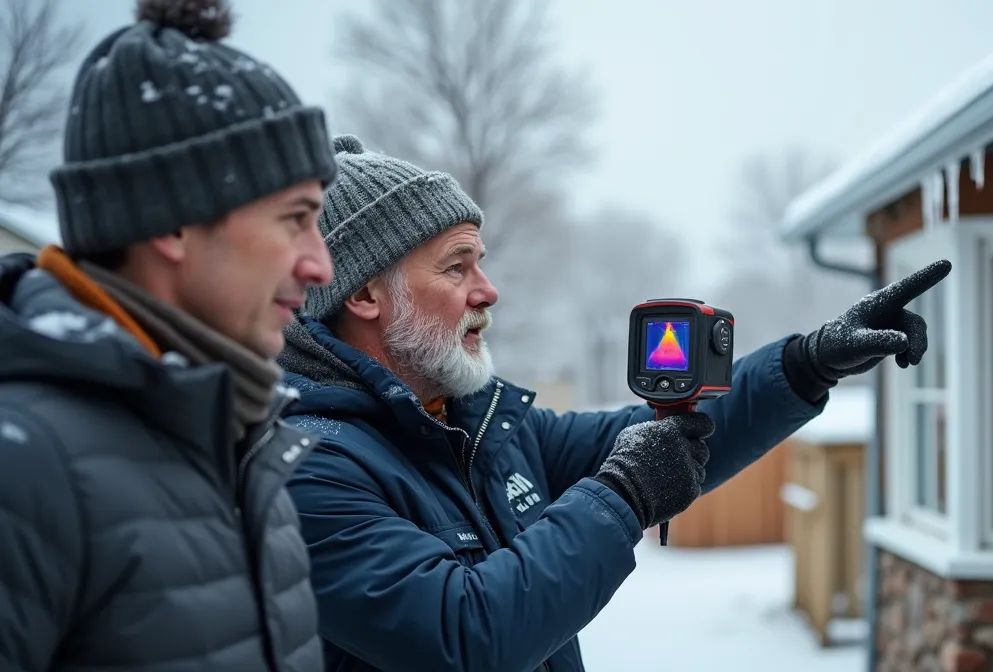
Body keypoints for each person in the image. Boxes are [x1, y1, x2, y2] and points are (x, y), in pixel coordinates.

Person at [278, 135, 951, 672]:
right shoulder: (307, 470)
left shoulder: (483, 428)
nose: (488, 290)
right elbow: (467, 637)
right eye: (457, 267)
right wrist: (623, 495)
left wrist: (805, 364)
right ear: (363, 295)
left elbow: (664, 437)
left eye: (481, 263)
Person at [0, 1, 339, 670]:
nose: (320, 263)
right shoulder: (25, 465)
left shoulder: (242, 438)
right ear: (173, 220)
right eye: (294, 219)